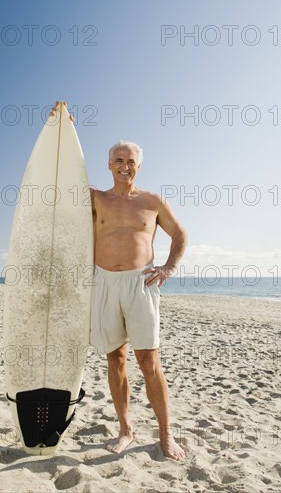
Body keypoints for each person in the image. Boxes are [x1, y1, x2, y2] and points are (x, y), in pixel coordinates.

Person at [50, 102, 187, 461]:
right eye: (119, 161)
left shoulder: (152, 201)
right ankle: (126, 429)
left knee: (149, 360)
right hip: (104, 282)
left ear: (138, 166)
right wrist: (62, 130)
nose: (125, 166)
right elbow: (61, 179)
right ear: (109, 165)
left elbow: (180, 235)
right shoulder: (95, 199)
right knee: (116, 359)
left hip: (140, 284)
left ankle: (165, 434)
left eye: (131, 161)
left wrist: (168, 268)